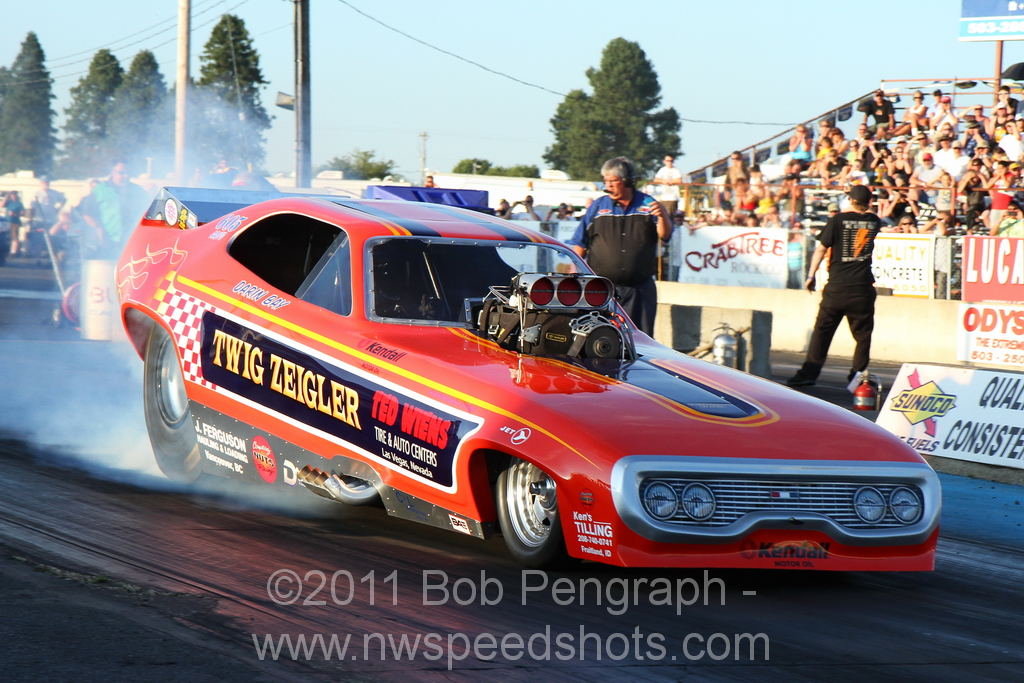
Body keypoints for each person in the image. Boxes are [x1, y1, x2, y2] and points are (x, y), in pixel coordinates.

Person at [786, 185, 883, 387]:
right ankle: (858, 377)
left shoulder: (837, 220)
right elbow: (867, 214)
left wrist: (811, 275)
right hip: (862, 287)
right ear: (869, 202)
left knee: (822, 331)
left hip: (838, 286)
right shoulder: (874, 221)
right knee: (863, 335)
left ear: (850, 201)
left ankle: (808, 374)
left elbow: (821, 248)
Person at [567, 157, 671, 335]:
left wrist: (662, 216)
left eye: (613, 181)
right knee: (598, 338)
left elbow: (665, 235)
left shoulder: (648, 204)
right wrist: (571, 276)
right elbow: (580, 242)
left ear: (627, 181)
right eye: (606, 181)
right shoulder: (598, 207)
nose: (608, 186)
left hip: (639, 290)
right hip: (601, 289)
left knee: (640, 340)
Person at [80, 161, 150, 260]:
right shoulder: (100, 190)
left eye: (128, 173)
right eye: (122, 173)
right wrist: (99, 229)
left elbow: (149, 211)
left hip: (132, 240)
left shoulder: (137, 190)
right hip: (108, 239)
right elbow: (87, 214)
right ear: (113, 173)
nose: (126, 175)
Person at [4, 191, 26, 257]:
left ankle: (13, 252)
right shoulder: (9, 202)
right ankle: (5, 250)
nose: (13, 196)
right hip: (6, 222)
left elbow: (23, 213)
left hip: (15, 223)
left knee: (14, 237)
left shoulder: (19, 204)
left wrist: (15, 214)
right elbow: (1, 205)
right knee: (5, 236)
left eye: (14, 195)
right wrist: (5, 198)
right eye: (12, 195)